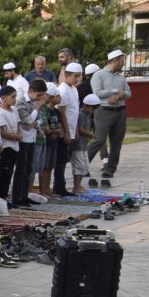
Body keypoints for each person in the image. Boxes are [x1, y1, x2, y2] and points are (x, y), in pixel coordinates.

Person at [88, 49, 132, 179]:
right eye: (122, 61)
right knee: (99, 140)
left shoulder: (121, 78)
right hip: (104, 111)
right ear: (115, 61)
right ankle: (82, 165)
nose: (123, 64)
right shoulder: (99, 75)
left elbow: (129, 93)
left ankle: (110, 169)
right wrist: (115, 91)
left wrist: (120, 96)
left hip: (120, 111)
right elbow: (97, 92)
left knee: (116, 142)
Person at [53, 62, 82, 196]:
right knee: (61, 160)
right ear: (66, 75)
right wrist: (67, 132)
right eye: (75, 76)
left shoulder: (74, 89)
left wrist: (75, 129)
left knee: (65, 159)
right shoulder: (63, 90)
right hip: (64, 131)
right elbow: (62, 113)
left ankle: (60, 186)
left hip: (71, 129)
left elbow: (74, 112)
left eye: (79, 76)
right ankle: (59, 187)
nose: (77, 79)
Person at [0, 87, 22, 204]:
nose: (15, 99)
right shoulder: (1, 112)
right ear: (3, 98)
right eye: (12, 97)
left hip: (15, 146)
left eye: (15, 96)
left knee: (10, 172)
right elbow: (3, 132)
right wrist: (18, 137)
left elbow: (18, 125)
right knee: (5, 173)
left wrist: (19, 134)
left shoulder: (14, 110)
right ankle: (0, 197)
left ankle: (5, 196)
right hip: (6, 147)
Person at [73, 94, 99, 193]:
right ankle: (76, 186)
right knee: (78, 166)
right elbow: (80, 129)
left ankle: (79, 185)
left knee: (84, 166)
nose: (94, 111)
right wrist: (90, 134)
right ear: (87, 106)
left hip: (84, 145)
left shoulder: (88, 115)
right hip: (78, 145)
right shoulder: (80, 115)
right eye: (94, 108)